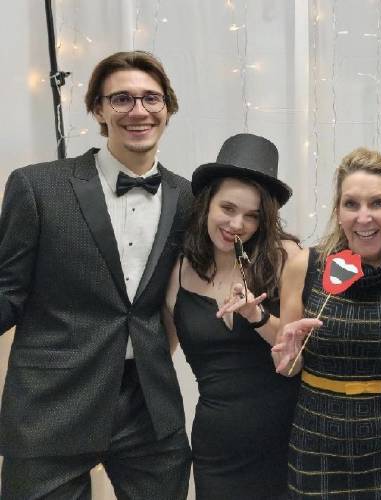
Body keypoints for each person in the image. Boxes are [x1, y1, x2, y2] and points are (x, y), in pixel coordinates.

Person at [0, 51, 192, 498]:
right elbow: (7, 289)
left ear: (168, 107)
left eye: (151, 98)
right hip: (51, 400)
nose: (138, 111)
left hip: (148, 403)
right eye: (121, 99)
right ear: (98, 109)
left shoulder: (187, 196)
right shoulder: (37, 186)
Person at [273, 147, 381, 499]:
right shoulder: (306, 267)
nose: (364, 218)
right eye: (352, 204)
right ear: (338, 211)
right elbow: (289, 365)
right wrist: (287, 357)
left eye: (377, 203)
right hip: (318, 435)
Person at [161, 133, 301, 499]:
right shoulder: (178, 272)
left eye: (252, 215)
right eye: (228, 208)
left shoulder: (284, 257)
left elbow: (294, 360)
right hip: (216, 449)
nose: (237, 224)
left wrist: (256, 315)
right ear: (207, 204)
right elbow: (159, 354)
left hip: (287, 441)